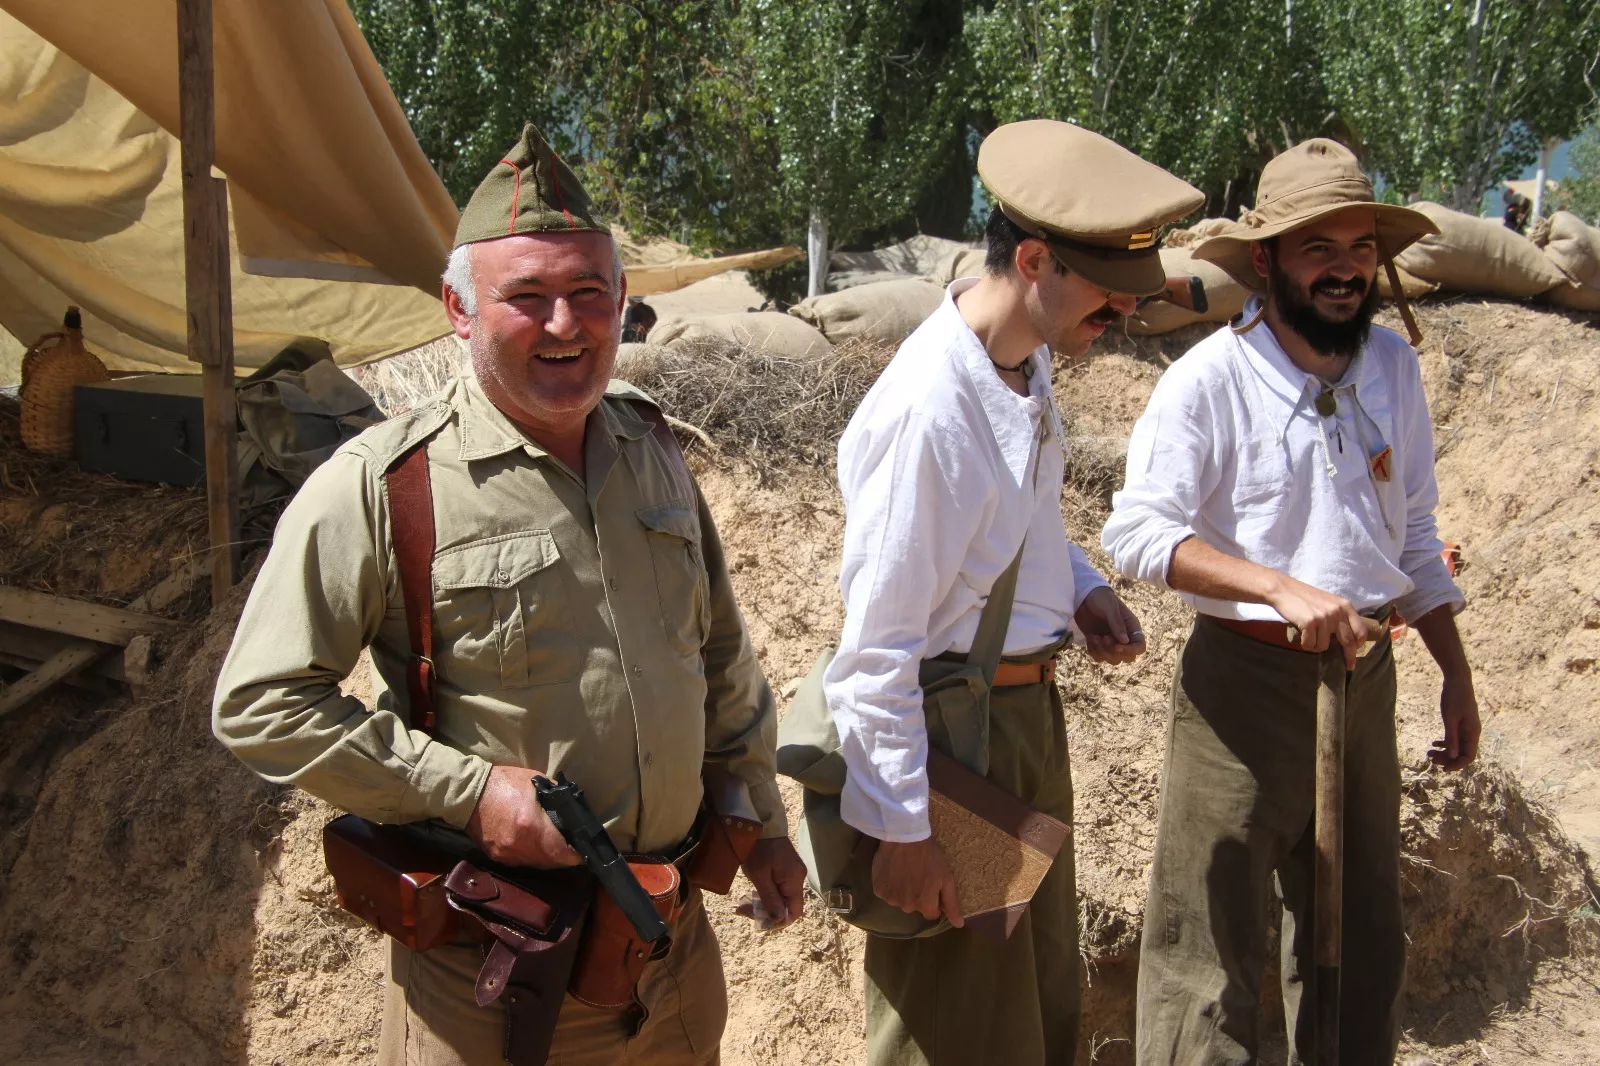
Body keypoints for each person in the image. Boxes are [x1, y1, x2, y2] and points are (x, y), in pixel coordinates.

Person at [212, 123, 806, 1066]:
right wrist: (472, 791)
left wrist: (760, 819)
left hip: (671, 958)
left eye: (587, 292)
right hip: (496, 984)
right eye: (526, 297)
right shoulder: (381, 486)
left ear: (621, 300)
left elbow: (721, 660)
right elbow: (260, 705)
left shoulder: (654, 454)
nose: (566, 325)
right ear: (458, 306)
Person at [822, 119, 1204, 1066]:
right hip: (954, 742)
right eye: (1106, 308)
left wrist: (1078, 588)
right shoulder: (931, 413)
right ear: (1033, 259)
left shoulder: (1019, 361)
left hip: (1017, 729)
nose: (1112, 329)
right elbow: (876, 643)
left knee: (1029, 1004)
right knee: (953, 1027)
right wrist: (903, 828)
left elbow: (1019, 522)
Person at [1101, 138, 1480, 1064]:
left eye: (1358, 247)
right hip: (1242, 691)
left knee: (1359, 935)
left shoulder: (1390, 368)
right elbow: (1137, 534)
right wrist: (1276, 586)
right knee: (1207, 945)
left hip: (1365, 679)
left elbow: (1416, 535)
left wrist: (1455, 675)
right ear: (1266, 260)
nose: (1344, 268)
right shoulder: (1208, 381)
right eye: (1319, 248)